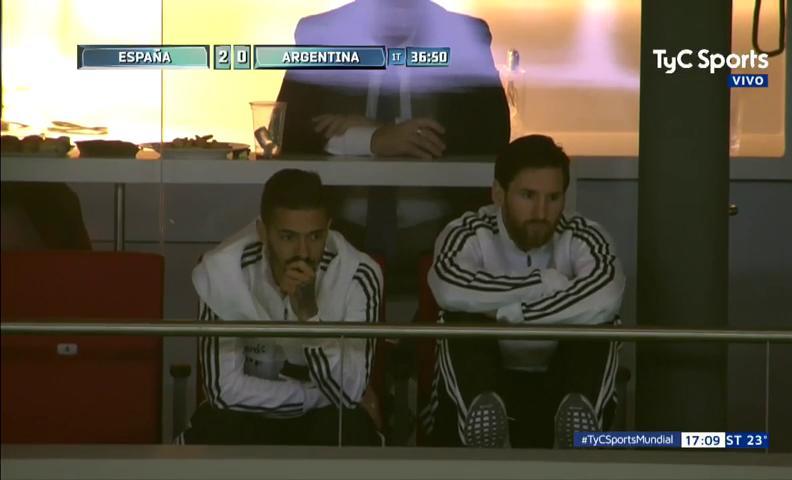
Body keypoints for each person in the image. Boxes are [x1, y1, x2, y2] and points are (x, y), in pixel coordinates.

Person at [276, 0, 510, 292]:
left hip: (444, 236)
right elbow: (288, 130)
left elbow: (493, 133)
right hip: (335, 235)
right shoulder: (322, 32)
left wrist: (378, 131)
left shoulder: (464, 34)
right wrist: (375, 139)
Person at [423, 135, 625, 448]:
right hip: (479, 387)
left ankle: (577, 433)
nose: (541, 211)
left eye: (553, 197)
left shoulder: (584, 234)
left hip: (560, 383)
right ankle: (482, 430)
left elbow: (606, 297)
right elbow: (449, 289)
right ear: (498, 193)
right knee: (460, 318)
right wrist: (543, 282)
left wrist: (512, 313)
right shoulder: (467, 231)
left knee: (602, 323)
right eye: (528, 195)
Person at [177, 169, 383, 445]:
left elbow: (349, 393)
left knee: (347, 427)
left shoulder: (358, 274)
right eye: (288, 237)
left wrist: (309, 316)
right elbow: (223, 390)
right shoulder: (222, 271)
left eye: (315, 236)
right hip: (250, 415)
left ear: (328, 228)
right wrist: (309, 396)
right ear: (263, 232)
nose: (303, 253)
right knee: (218, 426)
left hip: (324, 420)